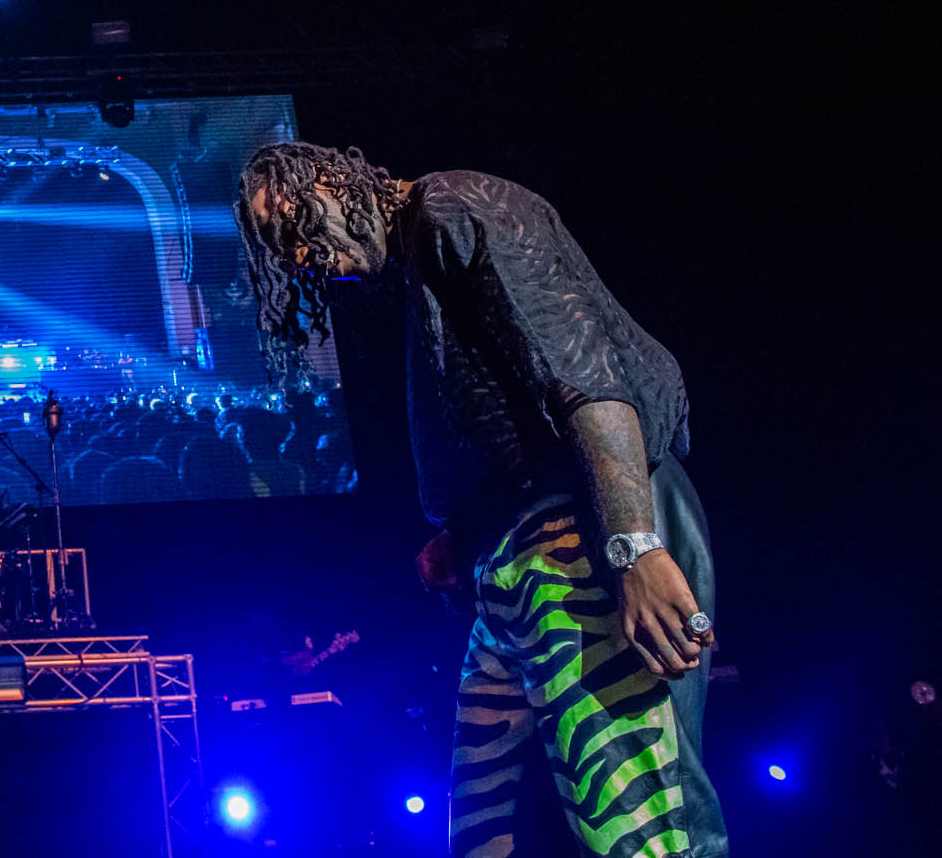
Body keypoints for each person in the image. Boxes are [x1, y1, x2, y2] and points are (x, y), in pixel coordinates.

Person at [236, 142, 727, 857]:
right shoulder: (423, 252)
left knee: (641, 823)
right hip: (515, 560)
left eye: (298, 224)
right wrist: (463, 535)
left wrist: (634, 545)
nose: (303, 254)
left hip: (574, 541)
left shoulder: (452, 207)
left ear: (331, 181)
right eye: (284, 247)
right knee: (480, 828)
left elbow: (584, 370)